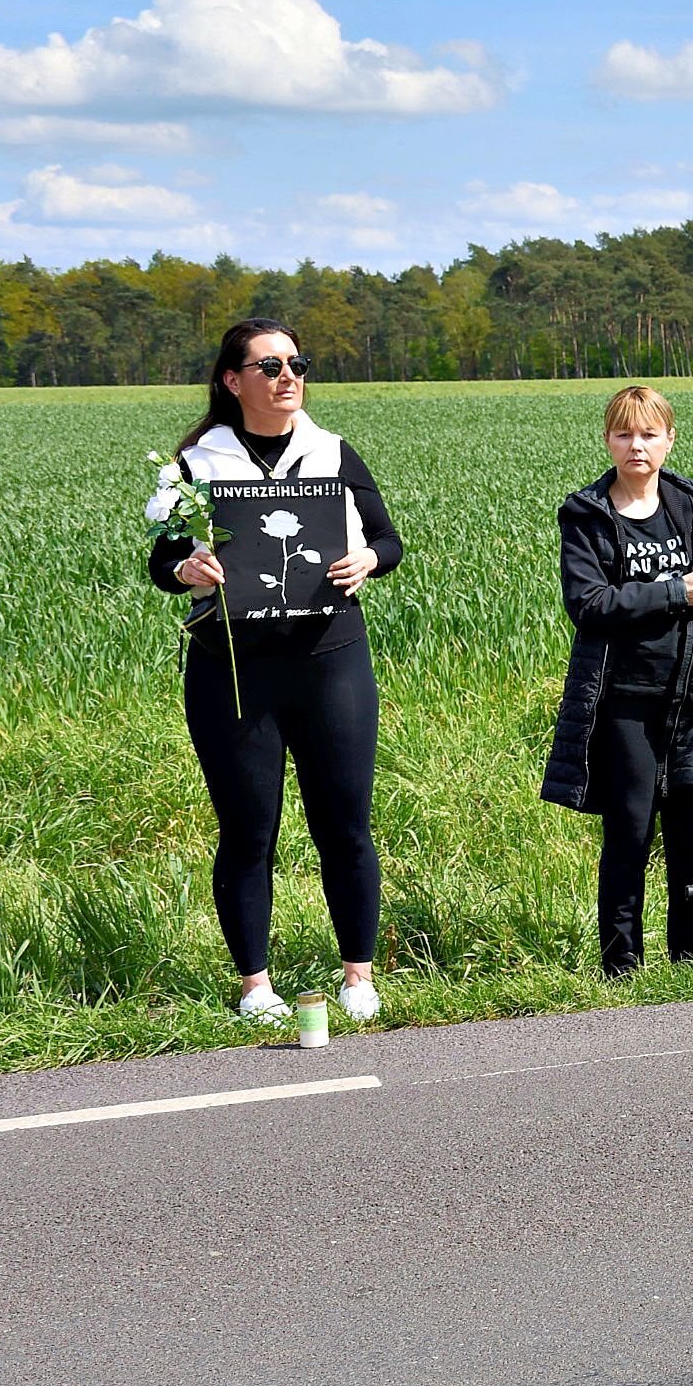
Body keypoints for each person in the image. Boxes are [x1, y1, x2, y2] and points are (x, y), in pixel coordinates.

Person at [147, 318, 403, 1022]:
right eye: (269, 366)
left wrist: (370, 561)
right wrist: (185, 566)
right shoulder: (197, 465)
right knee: (248, 829)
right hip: (233, 669)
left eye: (296, 363)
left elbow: (388, 539)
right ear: (233, 381)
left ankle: (358, 975)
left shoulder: (334, 452)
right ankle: (255, 987)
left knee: (345, 825)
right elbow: (161, 563)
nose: (287, 376)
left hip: (332, 662)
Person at [541, 386, 693, 978]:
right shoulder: (587, 515)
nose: (637, 446)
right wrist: (673, 591)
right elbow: (589, 603)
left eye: (649, 434)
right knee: (629, 828)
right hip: (624, 699)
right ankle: (621, 962)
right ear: (608, 440)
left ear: (670, 440)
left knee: (692, 825)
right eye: (625, 434)